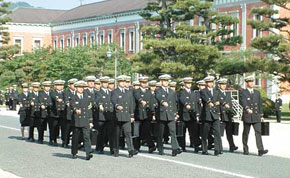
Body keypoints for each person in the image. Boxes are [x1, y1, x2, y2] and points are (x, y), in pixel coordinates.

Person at [240, 76, 268, 156]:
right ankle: (245, 149)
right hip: (247, 115)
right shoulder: (243, 92)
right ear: (247, 83)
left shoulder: (257, 92)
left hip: (256, 115)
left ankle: (260, 149)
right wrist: (247, 108)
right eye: (250, 82)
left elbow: (259, 105)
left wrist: (261, 115)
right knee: (246, 133)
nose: (252, 83)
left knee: (258, 132)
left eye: (252, 82)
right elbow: (243, 101)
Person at [155, 74, 181, 156]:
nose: (166, 82)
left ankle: (175, 149)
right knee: (161, 133)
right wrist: (163, 102)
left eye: (167, 81)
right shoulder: (158, 90)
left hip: (170, 114)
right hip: (162, 114)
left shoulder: (171, 92)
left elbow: (174, 104)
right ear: (161, 82)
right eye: (164, 81)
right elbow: (158, 97)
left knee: (173, 132)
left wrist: (176, 113)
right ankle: (160, 148)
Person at [111, 75, 136, 158]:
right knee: (117, 134)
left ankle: (131, 150)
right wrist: (117, 105)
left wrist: (132, 115)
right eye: (121, 82)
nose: (123, 83)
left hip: (127, 116)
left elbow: (131, 104)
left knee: (128, 133)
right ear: (118, 82)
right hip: (118, 116)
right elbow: (113, 100)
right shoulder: (115, 91)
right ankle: (116, 149)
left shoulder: (129, 92)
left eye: (124, 82)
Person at [70, 80, 93, 160]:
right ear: (76, 88)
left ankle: (88, 152)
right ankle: (74, 152)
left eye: (82, 87)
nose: (81, 89)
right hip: (77, 121)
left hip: (85, 120)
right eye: (79, 87)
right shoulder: (73, 97)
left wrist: (90, 121)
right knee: (75, 138)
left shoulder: (86, 97)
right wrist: (76, 109)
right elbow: (72, 105)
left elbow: (89, 110)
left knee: (87, 137)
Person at [200, 76, 223, 156]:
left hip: (215, 114)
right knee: (205, 133)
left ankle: (217, 149)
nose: (211, 84)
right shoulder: (203, 91)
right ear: (206, 83)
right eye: (209, 82)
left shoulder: (216, 91)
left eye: (212, 82)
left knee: (217, 132)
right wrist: (209, 102)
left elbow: (219, 101)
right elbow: (206, 98)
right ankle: (204, 149)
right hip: (207, 115)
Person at [133, 76, 156, 153]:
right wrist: (141, 101)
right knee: (137, 132)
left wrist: (153, 113)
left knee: (147, 131)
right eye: (143, 82)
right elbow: (137, 97)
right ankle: (136, 147)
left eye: (145, 82)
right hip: (138, 115)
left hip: (147, 114)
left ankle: (151, 146)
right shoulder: (136, 91)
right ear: (140, 83)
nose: (144, 84)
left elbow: (152, 103)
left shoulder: (149, 92)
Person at [178, 77, 200, 152]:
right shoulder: (182, 92)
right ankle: (182, 146)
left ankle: (196, 146)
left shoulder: (194, 93)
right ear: (184, 84)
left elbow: (196, 104)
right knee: (183, 132)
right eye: (187, 83)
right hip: (184, 115)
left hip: (192, 115)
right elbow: (182, 99)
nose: (189, 85)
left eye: (190, 83)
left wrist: (197, 114)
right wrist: (186, 104)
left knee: (194, 132)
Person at [95, 76, 115, 154]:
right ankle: (99, 147)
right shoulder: (98, 92)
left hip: (110, 115)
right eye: (104, 83)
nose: (106, 84)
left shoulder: (111, 92)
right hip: (102, 115)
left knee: (110, 133)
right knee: (101, 133)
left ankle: (112, 149)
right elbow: (97, 100)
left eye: (107, 83)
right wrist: (100, 105)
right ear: (101, 83)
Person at [217, 78, 238, 152]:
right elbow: (217, 105)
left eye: (224, 84)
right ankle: (219, 146)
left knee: (229, 132)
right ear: (219, 85)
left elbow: (230, 105)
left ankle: (232, 146)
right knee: (219, 133)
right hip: (221, 115)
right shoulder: (217, 93)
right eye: (222, 84)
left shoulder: (228, 94)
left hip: (228, 115)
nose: (224, 86)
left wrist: (232, 115)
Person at [50, 80, 66, 146]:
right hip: (55, 113)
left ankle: (63, 140)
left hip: (62, 113)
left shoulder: (64, 93)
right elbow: (54, 98)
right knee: (54, 127)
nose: (60, 87)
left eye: (61, 85)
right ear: (55, 86)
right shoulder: (53, 93)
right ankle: (53, 139)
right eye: (58, 85)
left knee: (63, 127)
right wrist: (58, 99)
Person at [63, 78, 78, 148]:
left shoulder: (78, 93)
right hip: (69, 113)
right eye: (72, 84)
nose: (74, 86)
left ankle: (76, 143)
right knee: (67, 129)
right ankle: (65, 142)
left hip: (77, 114)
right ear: (69, 85)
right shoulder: (66, 92)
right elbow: (67, 101)